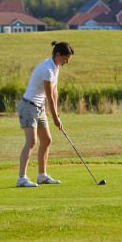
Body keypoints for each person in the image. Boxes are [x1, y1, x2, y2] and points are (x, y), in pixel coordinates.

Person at [17, 41, 74, 188]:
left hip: (39, 107)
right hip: (28, 106)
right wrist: (55, 119)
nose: (67, 62)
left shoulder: (56, 67)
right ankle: (22, 178)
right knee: (32, 142)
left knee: (47, 140)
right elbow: (49, 96)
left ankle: (42, 176)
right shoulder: (46, 69)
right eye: (66, 59)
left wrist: (58, 116)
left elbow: (54, 92)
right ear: (58, 54)